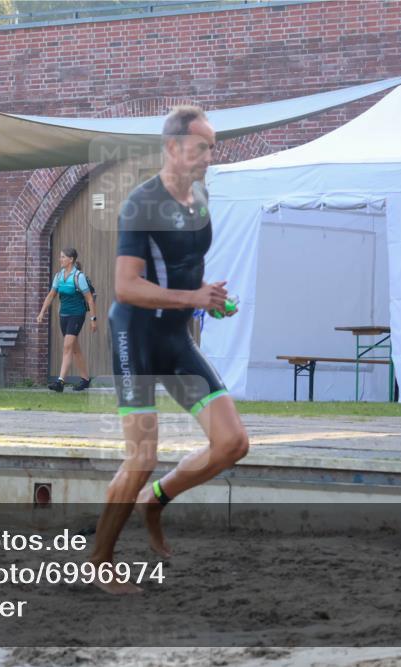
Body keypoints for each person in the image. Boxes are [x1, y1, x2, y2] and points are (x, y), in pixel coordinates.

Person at [88, 106, 249, 595]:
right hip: (135, 337)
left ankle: (155, 501)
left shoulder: (200, 198)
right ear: (173, 147)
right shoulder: (141, 204)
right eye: (201, 147)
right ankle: (99, 563)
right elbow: (126, 286)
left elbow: (182, 265)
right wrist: (192, 298)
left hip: (175, 338)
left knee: (232, 443)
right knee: (140, 459)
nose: (209, 157)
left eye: (212, 148)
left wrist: (209, 297)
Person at [36, 247, 98, 392]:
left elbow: (89, 299)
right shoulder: (58, 276)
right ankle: (85, 379)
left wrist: (93, 319)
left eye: (63, 257)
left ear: (71, 259)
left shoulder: (78, 276)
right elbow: (51, 295)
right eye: (60, 256)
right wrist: (41, 312)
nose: (60, 259)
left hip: (77, 315)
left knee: (67, 346)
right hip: (63, 316)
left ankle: (60, 382)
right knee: (75, 349)